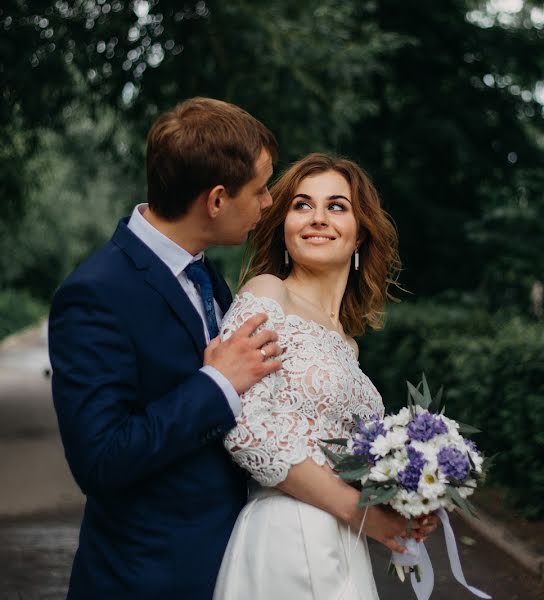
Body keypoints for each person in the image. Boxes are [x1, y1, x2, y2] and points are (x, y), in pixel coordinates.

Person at [49, 97, 283, 599]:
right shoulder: (95, 294)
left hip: (233, 564)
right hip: (147, 580)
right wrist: (216, 384)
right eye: (261, 189)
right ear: (216, 200)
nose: (268, 203)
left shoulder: (205, 272)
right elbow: (100, 460)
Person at [213, 153, 437, 599]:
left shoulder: (347, 342)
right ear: (283, 226)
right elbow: (245, 427)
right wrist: (362, 514)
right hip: (284, 535)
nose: (317, 218)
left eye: (336, 206)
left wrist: (404, 496)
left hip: (341, 542)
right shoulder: (267, 293)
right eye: (301, 205)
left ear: (360, 234)